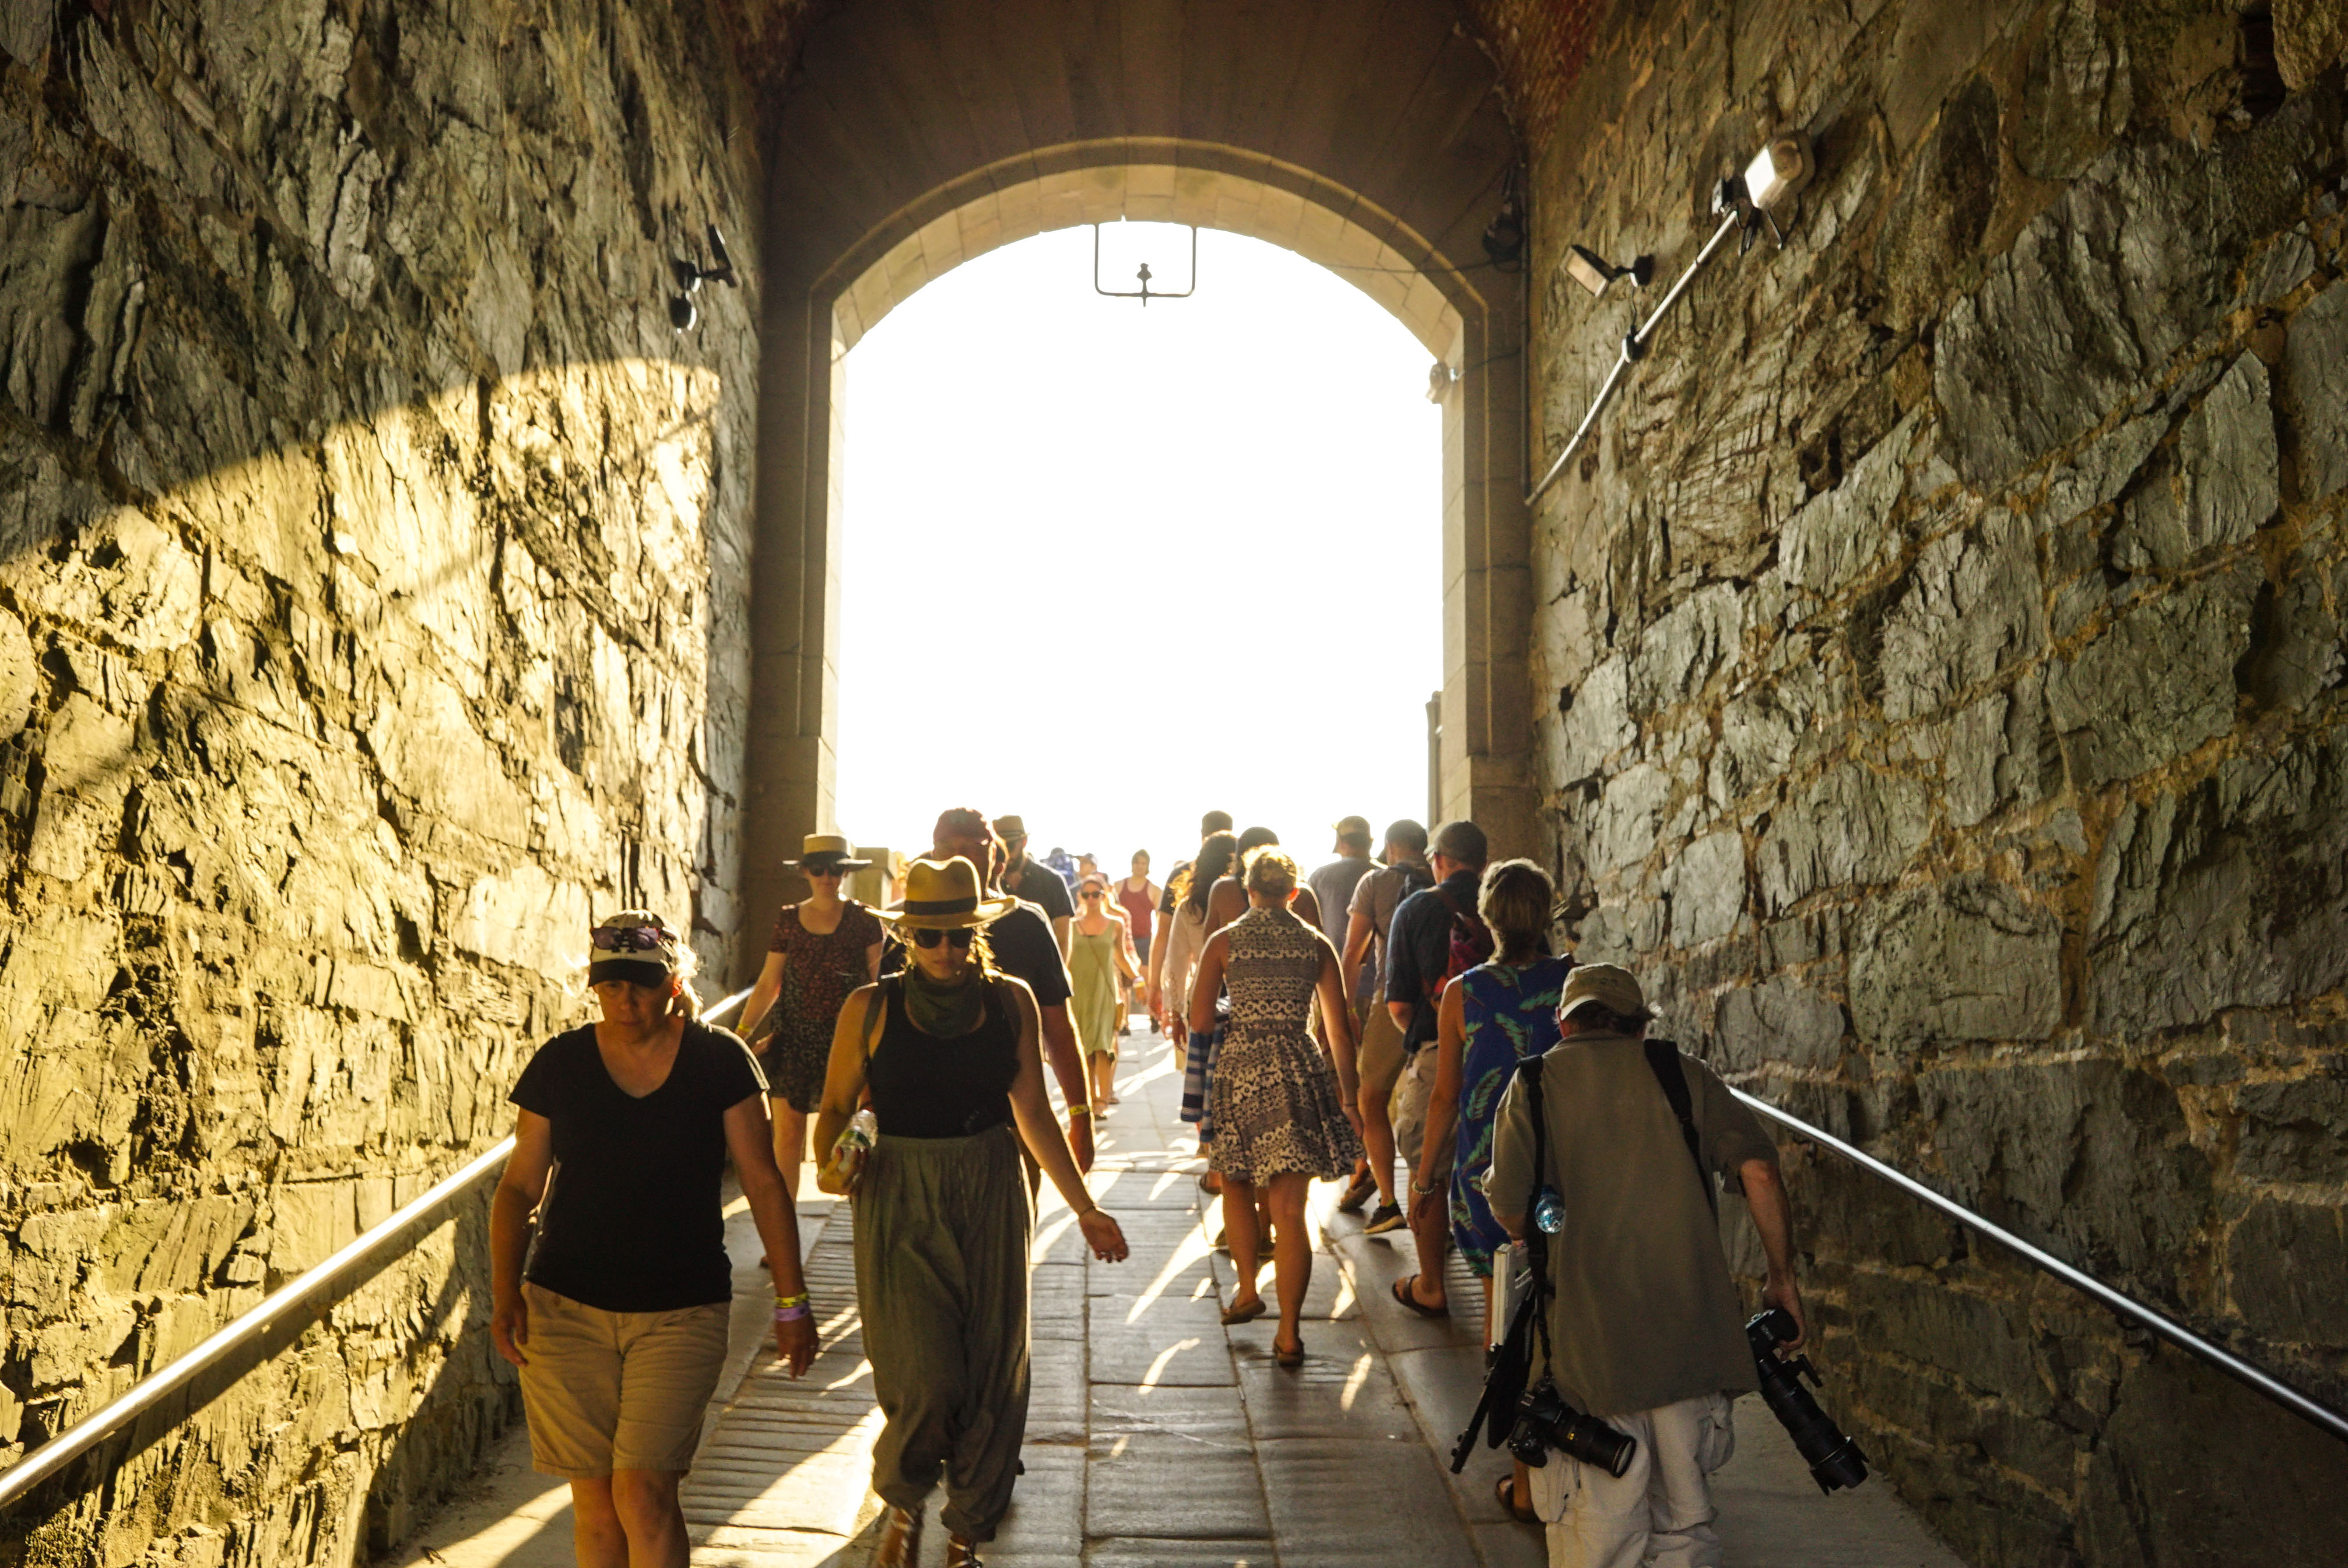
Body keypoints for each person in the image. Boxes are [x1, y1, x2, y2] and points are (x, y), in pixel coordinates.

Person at [815, 857, 1131, 1568]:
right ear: (908, 936)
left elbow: (1032, 1110)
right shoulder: (869, 1006)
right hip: (899, 1188)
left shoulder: (1011, 1000)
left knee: (995, 1368)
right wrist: (833, 1158)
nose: (946, 948)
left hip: (990, 1181)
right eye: (929, 935)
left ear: (977, 932)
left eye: (959, 934)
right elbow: (833, 1107)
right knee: (922, 1372)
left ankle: (966, 1532)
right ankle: (902, 1502)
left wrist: (1084, 1205)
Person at [490, 912, 818, 1568]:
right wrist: (505, 1292)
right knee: (594, 1501)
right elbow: (520, 1187)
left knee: (644, 1493)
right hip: (565, 1305)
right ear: (594, 986)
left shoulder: (719, 1059)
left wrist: (792, 1301)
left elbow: (763, 1182)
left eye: (640, 984)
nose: (625, 1000)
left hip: (681, 1308)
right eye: (610, 985)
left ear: (672, 983)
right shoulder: (561, 1063)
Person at [1486, 964, 1803, 1568]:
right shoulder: (1683, 1075)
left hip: (1588, 1357)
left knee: (1599, 1536)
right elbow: (1760, 1172)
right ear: (1638, 1027)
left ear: (1563, 1022)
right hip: (1689, 1349)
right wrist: (1782, 1280)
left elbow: (1510, 1213)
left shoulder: (1533, 1084)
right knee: (1685, 1526)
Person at [1404, 859, 1571, 1522]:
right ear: (1546, 913)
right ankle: (1569, 1461)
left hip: (1489, 1173)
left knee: (1504, 1320)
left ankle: (1525, 1482)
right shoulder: (1575, 981)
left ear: (1488, 918)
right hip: (1565, 1168)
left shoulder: (1463, 993)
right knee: (1568, 1311)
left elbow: (1445, 1096)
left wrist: (1423, 1177)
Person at [1188, 848, 1363, 1367]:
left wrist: (1237, 1008)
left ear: (1247, 890)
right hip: (1297, 1069)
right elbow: (1339, 1029)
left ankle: (1246, 1290)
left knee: (1236, 1183)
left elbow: (1200, 1021)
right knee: (1290, 1211)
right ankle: (1289, 1334)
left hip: (1241, 1068)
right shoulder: (1315, 943)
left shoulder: (1224, 941)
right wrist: (1349, 1098)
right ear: (1292, 892)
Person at [929, 808, 1097, 1170]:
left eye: (970, 848)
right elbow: (876, 1029)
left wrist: (1080, 1115)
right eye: (946, 846)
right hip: (919, 1127)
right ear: (932, 852)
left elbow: (1057, 1025)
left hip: (1013, 1125)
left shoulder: (1025, 922)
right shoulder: (908, 923)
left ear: (994, 857)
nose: (957, 858)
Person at [739, 834, 885, 1198]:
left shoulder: (866, 919)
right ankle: (783, 1227)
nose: (827, 877)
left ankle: (860, 1218)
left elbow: (878, 984)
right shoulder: (789, 919)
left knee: (851, 1138)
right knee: (787, 1137)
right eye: (819, 869)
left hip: (846, 1042)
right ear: (805, 872)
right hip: (793, 1040)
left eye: (835, 869)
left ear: (846, 872)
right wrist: (741, 1034)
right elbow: (769, 983)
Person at [1382, 818, 1490, 1282]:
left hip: (1436, 1049)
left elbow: (1399, 1005)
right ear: (1483, 863)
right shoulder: (1505, 902)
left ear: (1439, 860)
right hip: (1507, 1053)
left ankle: (1430, 1284)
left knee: (1425, 1169)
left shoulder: (1415, 908)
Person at [1338, 820, 1432, 1230]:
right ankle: (1435, 1205)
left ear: (1391, 847)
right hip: (1445, 1002)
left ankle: (1390, 1201)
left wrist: (1344, 1009)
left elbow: (1353, 952)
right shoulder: (1442, 880)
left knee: (1371, 1098)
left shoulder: (1375, 883)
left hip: (1392, 999)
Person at [1166, 830, 1240, 1140]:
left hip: (1203, 998)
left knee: (1202, 1073)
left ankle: (1207, 1144)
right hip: (1241, 997)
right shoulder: (1245, 901)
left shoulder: (1189, 907)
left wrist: (1175, 1012)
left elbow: (1177, 964)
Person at [1069, 873, 1140, 1108]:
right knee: (1084, 1047)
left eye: (1096, 894)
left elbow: (1122, 957)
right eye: (1086, 895)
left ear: (1104, 896)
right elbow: (1065, 961)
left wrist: (1139, 981)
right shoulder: (1071, 926)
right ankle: (1090, 1098)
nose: (1091, 899)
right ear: (1080, 897)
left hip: (1105, 990)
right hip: (1079, 991)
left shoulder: (1116, 923)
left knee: (1103, 1045)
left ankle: (1102, 1098)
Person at [994, 815, 1076, 952]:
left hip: (1041, 963)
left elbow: (1063, 938)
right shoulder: (989, 881)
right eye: (1000, 849)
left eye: (1010, 846)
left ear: (1024, 842)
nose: (1006, 855)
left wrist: (1059, 966)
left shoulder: (1052, 881)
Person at [1305, 815, 1378, 954]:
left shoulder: (1320, 877)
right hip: (1381, 966)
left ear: (1340, 842)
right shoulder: (1388, 877)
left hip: (1334, 963)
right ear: (1370, 842)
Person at [1116, 850, 1161, 1036]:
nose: (1140, 866)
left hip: (1144, 940)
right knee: (1124, 982)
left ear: (1148, 866)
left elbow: (1160, 917)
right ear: (1132, 864)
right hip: (1123, 939)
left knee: (1146, 980)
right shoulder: (1119, 886)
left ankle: (1154, 1016)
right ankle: (1124, 1023)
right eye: (1137, 862)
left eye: (1143, 863)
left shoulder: (1154, 889)